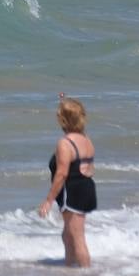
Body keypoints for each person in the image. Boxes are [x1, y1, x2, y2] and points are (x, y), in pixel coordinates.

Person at [39, 97, 96, 267]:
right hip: (85, 188)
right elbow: (88, 168)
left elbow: (62, 174)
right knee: (68, 234)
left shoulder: (65, 143)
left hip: (72, 192)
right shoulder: (86, 139)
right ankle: (70, 272)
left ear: (63, 119)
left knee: (77, 237)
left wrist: (48, 200)